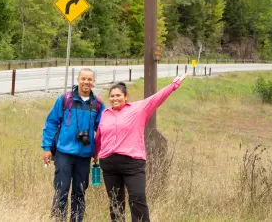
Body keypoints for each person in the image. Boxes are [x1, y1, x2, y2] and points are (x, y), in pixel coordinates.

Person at [94, 73, 190, 222]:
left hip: (132, 163)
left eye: (118, 95)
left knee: (137, 199)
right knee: (115, 202)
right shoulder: (105, 114)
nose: (114, 98)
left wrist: (174, 84)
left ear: (126, 97)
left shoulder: (138, 109)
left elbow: (157, 98)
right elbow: (100, 137)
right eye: (112, 96)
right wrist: (94, 153)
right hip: (109, 164)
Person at [42, 68, 105, 222]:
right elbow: (51, 122)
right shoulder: (65, 99)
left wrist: (99, 150)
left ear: (93, 82)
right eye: (83, 78)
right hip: (64, 153)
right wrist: (46, 148)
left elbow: (103, 128)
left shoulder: (97, 104)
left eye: (89, 79)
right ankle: (58, 219)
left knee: (80, 193)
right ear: (78, 79)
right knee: (61, 190)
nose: (86, 82)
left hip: (84, 156)